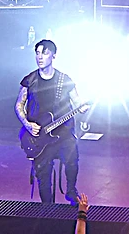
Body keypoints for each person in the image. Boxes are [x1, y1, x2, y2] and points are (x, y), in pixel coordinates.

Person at [16, 39, 91, 205]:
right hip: (39, 136)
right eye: (37, 53)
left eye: (44, 53)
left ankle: (71, 190)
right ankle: (48, 209)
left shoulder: (64, 80)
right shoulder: (30, 80)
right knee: (43, 175)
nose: (40, 57)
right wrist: (27, 124)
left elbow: (76, 101)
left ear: (53, 56)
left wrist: (82, 107)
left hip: (63, 133)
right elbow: (19, 105)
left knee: (72, 157)